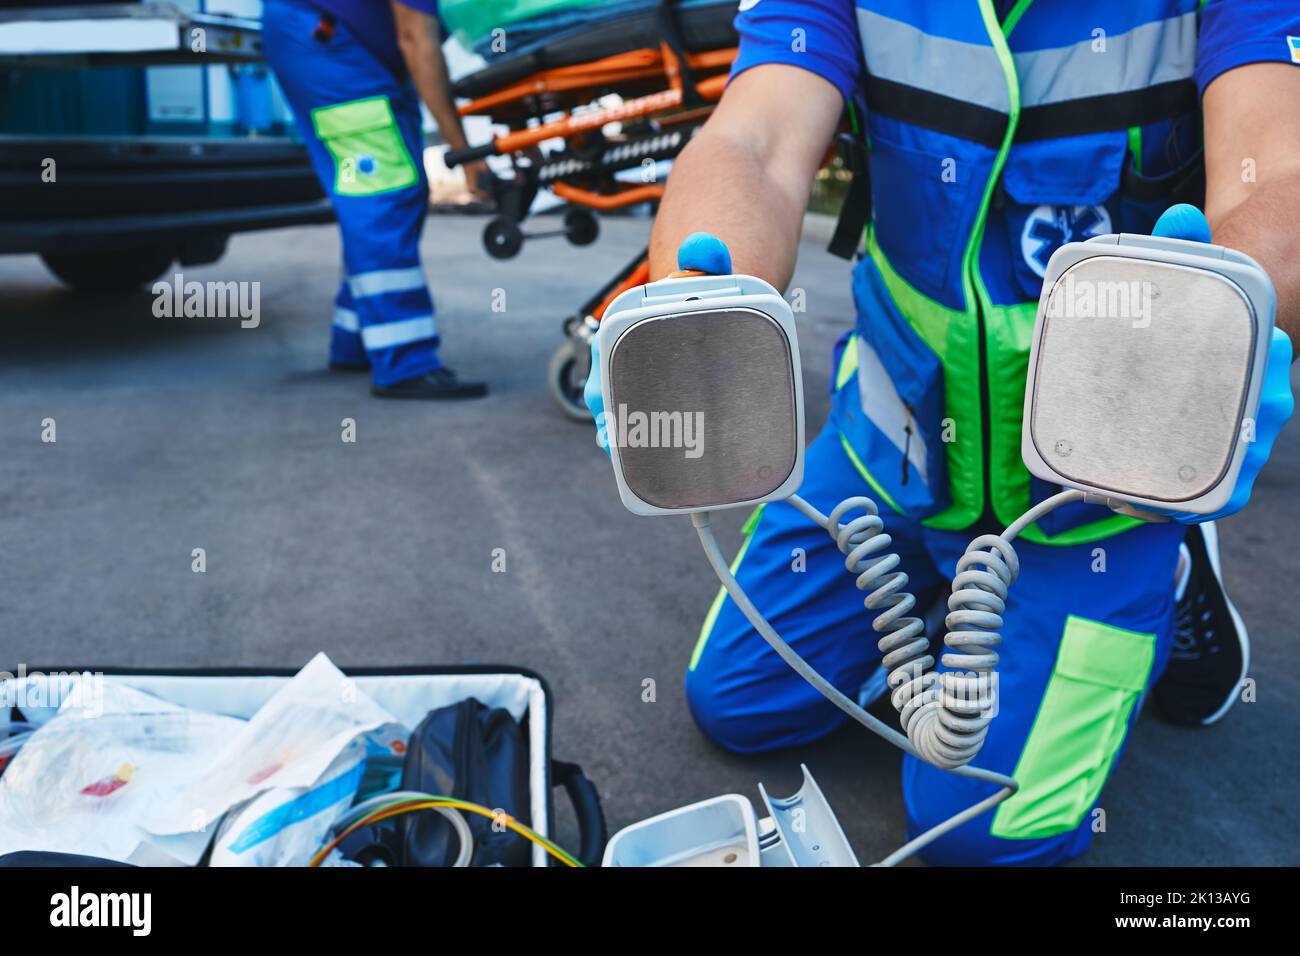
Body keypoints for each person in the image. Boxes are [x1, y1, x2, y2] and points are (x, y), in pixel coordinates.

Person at [590, 0, 1298, 864]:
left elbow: (1280, 172)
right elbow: (756, 144)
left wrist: (1212, 345)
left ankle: (1171, 560)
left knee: (974, 835)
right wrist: (697, 313)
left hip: (1097, 493)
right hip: (892, 446)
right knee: (741, 704)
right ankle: (948, 593)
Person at [262, 0, 489, 398]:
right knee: (383, 192)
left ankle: (358, 340)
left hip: (348, 43)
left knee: (398, 187)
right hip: (327, 41)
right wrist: (466, 156)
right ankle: (404, 362)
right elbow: (417, 41)